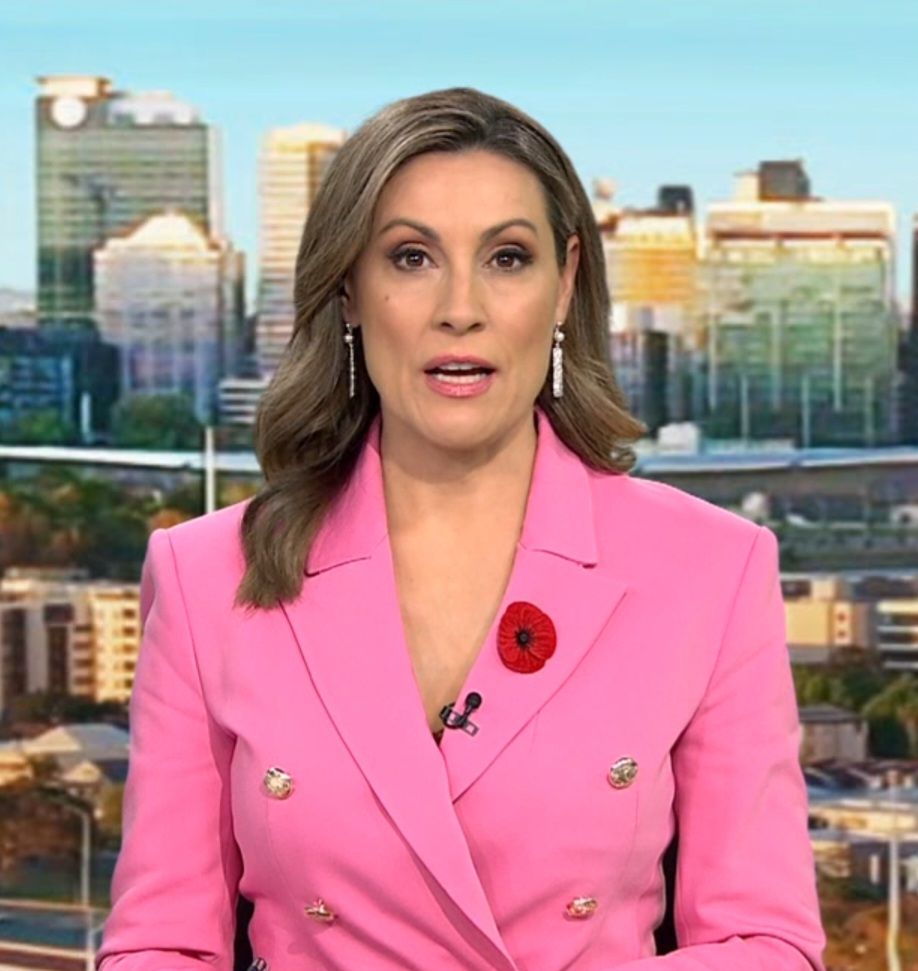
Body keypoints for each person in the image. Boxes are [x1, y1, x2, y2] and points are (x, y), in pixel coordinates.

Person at [94, 86, 827, 971]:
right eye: (411, 257)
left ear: (565, 283)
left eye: (507, 258)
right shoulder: (205, 574)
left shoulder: (711, 567)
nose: (461, 307)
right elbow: (160, 946)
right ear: (349, 289)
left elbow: (767, 943)